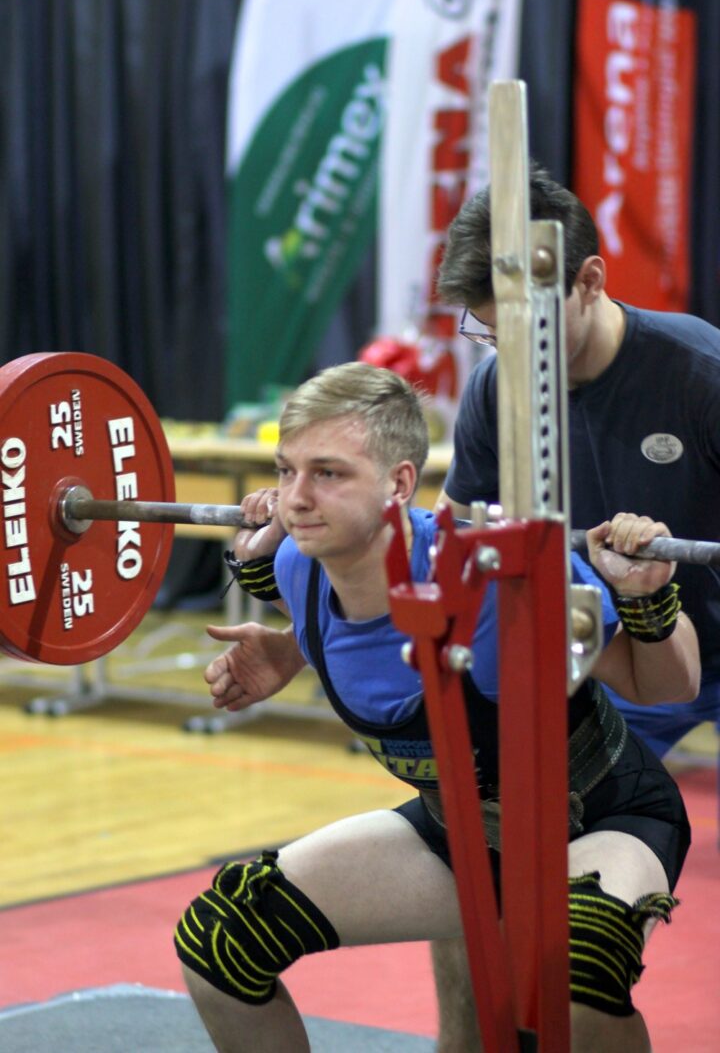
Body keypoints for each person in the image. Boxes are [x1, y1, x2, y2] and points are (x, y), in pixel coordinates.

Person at [174, 361, 699, 1053]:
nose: (294, 499)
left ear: (398, 485)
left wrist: (646, 601)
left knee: (579, 968)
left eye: (327, 473)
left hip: (599, 820)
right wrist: (291, 651)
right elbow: (360, 635)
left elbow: (667, 686)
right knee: (221, 940)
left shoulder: (500, 579)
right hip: (462, 832)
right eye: (285, 470)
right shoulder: (296, 568)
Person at [429, 162, 720, 1051]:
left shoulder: (699, 374)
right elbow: (457, 542)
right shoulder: (495, 392)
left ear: (589, 280)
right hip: (624, 657)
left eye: (525, 326)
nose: (509, 352)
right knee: (472, 868)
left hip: (703, 632)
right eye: (491, 330)